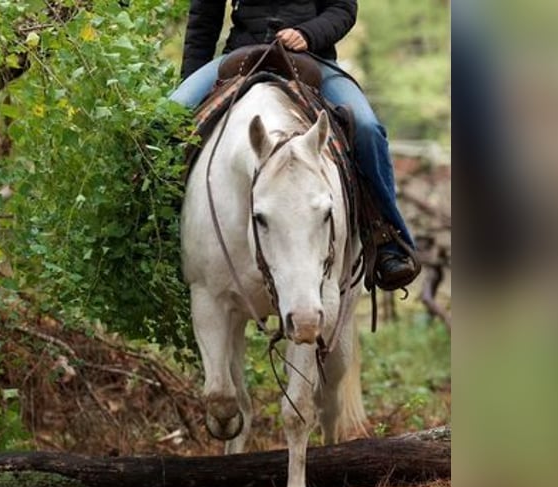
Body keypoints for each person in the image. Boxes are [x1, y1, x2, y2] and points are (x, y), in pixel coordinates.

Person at [170, 0, 419, 290]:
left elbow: (343, 8)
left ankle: (387, 239)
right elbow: (203, 19)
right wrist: (189, 89)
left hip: (313, 59)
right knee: (166, 120)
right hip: (242, 55)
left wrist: (307, 34)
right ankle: (159, 239)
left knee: (367, 128)